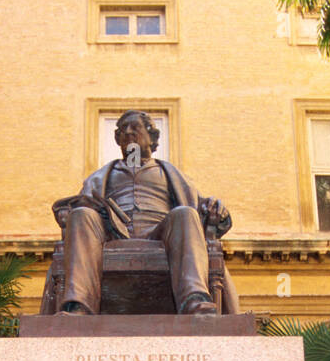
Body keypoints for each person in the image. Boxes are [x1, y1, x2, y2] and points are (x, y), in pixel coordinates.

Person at [58, 110, 232, 316]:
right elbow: (81, 204)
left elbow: (201, 207)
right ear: (117, 140)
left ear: (152, 137)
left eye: (135, 127)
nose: (128, 132)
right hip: (112, 232)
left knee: (185, 213)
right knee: (81, 215)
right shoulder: (103, 175)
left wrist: (215, 208)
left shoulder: (169, 172)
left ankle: (194, 299)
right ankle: (79, 305)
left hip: (161, 232)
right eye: (122, 130)